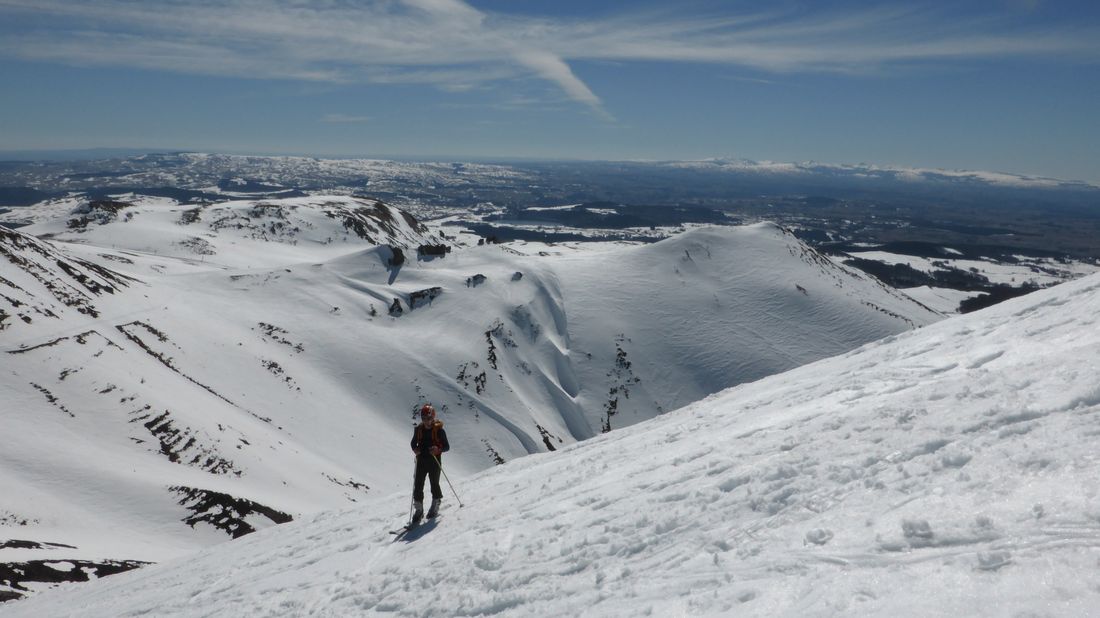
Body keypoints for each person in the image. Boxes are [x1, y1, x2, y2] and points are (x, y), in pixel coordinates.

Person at [410, 403, 449, 522]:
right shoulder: (418, 430)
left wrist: (438, 449)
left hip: (434, 460)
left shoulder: (439, 431)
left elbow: (447, 446)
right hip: (421, 460)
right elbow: (413, 443)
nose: (426, 421)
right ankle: (419, 509)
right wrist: (415, 449)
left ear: (433, 417)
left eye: (428, 418)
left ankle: (435, 505)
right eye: (424, 418)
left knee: (434, 483)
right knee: (418, 485)